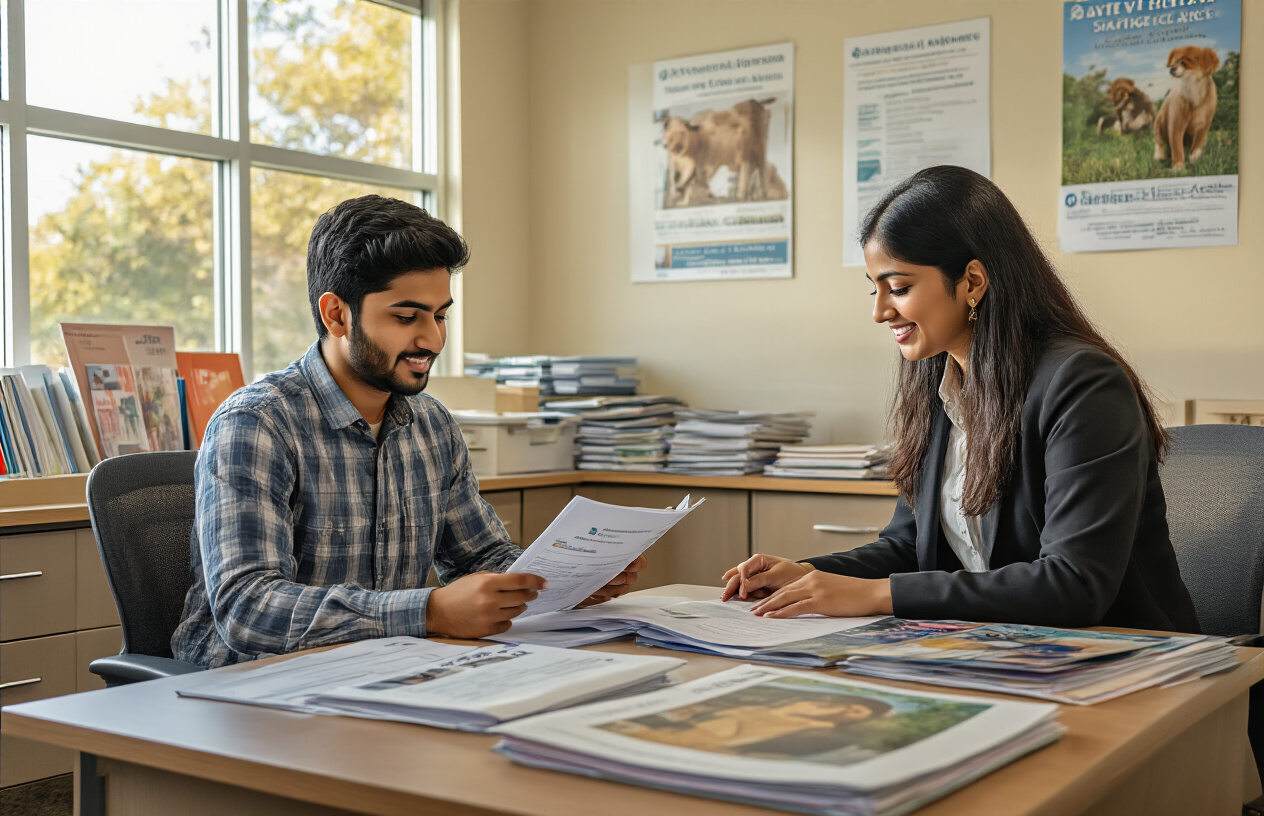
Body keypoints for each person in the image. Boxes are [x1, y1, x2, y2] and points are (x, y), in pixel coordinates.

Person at [721, 166, 1199, 633]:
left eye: (899, 288)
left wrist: (874, 594)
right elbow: (910, 548)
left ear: (972, 281)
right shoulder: (938, 382)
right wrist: (806, 575)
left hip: (1129, 658)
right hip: (1004, 651)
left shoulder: (1083, 385)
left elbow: (1074, 584)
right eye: (875, 290)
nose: (879, 312)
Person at [173, 196, 645, 668]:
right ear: (336, 314)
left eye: (440, 315)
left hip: (384, 673)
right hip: (245, 688)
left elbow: (479, 556)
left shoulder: (431, 424)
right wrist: (431, 611)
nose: (434, 340)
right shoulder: (257, 424)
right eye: (406, 317)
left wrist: (563, 582)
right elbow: (248, 609)